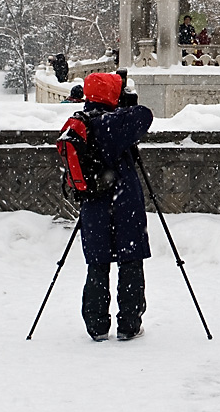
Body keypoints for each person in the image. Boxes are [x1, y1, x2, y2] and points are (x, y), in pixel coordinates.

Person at [78, 72, 153, 342]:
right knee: (130, 261)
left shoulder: (80, 122)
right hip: (124, 204)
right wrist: (127, 105)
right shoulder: (115, 124)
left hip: (92, 204)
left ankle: (96, 326)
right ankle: (128, 324)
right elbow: (145, 116)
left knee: (97, 265)